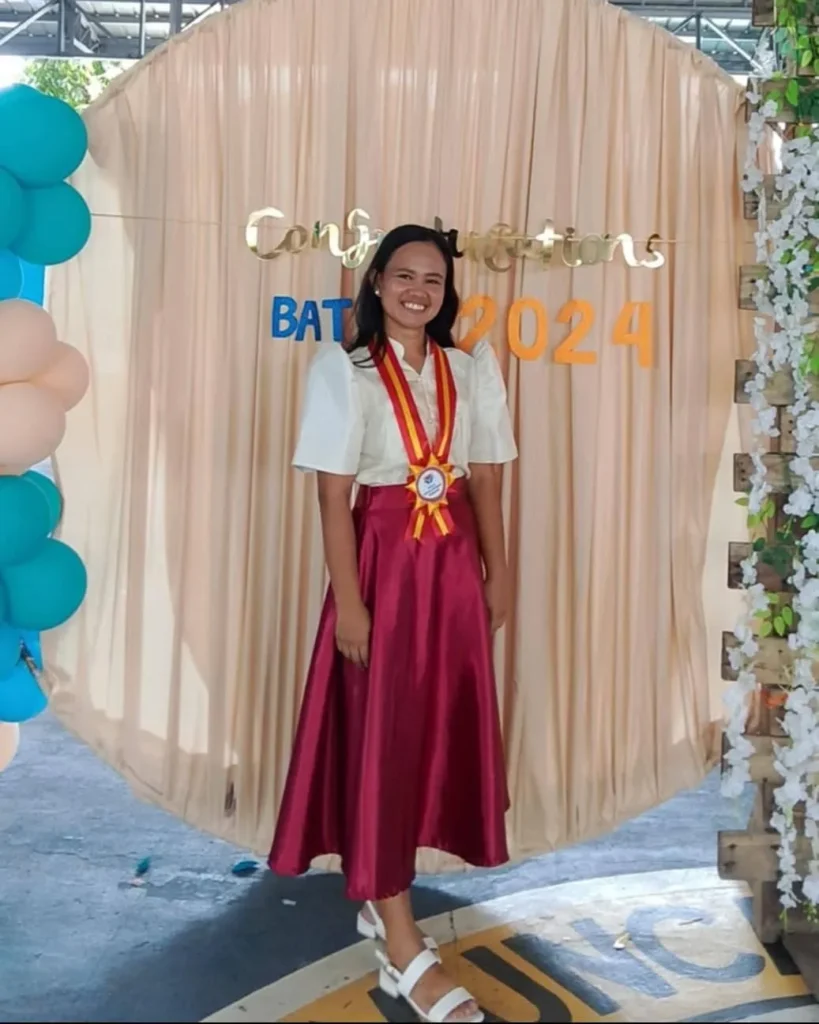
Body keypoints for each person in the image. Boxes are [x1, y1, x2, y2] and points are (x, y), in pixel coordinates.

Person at [268, 223, 518, 1023]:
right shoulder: (344, 372)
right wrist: (349, 601)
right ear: (376, 282)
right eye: (403, 276)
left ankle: (386, 908)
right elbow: (330, 495)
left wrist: (498, 573)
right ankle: (401, 942)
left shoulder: (467, 370)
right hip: (382, 567)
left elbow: (486, 479)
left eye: (432, 281)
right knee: (380, 738)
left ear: (447, 294)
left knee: (427, 734)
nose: (417, 291)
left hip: (451, 572)